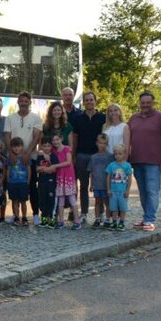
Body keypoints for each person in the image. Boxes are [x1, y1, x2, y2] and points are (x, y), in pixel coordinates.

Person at [128, 91, 161, 231]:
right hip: (136, 160)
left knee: (152, 190)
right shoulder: (133, 118)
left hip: (154, 161)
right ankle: (146, 216)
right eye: (143, 103)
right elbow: (127, 138)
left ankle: (150, 219)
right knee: (142, 191)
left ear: (153, 103)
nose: (145, 105)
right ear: (139, 103)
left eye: (148, 102)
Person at [4, 92, 43, 224]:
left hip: (29, 157)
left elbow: (37, 137)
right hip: (14, 159)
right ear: (18, 102)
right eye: (21, 101)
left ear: (30, 102)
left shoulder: (36, 118)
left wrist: (27, 153)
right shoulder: (10, 118)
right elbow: (7, 136)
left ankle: (35, 214)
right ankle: (15, 215)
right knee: (14, 187)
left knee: (31, 186)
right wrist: (11, 153)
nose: (23, 103)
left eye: (26, 101)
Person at [69, 91, 105, 226]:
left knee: (99, 186)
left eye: (91, 100)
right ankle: (84, 213)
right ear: (83, 102)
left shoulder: (102, 118)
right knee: (83, 186)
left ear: (95, 101)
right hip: (82, 155)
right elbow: (75, 138)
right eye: (87, 100)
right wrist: (73, 156)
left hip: (98, 156)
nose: (89, 102)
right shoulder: (78, 118)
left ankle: (99, 214)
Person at [50, 132, 78, 229]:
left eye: (57, 139)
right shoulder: (53, 150)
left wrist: (55, 166)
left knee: (72, 199)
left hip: (68, 177)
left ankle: (77, 221)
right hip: (60, 177)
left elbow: (68, 162)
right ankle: (61, 221)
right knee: (60, 200)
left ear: (61, 139)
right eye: (53, 140)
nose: (55, 142)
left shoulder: (66, 149)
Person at [106, 143, 134, 230]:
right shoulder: (111, 165)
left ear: (124, 154)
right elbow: (108, 178)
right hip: (113, 191)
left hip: (122, 191)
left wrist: (127, 190)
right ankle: (114, 222)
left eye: (120, 154)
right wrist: (109, 189)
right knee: (114, 208)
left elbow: (129, 179)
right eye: (116, 154)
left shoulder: (127, 166)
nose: (118, 156)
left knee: (122, 208)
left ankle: (121, 222)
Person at [88, 134, 112, 228]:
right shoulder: (93, 157)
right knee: (97, 202)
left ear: (107, 144)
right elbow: (91, 171)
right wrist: (91, 184)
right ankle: (97, 219)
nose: (102, 145)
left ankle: (107, 219)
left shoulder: (110, 157)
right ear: (96, 143)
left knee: (107, 202)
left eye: (104, 143)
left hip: (106, 185)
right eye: (100, 143)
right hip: (97, 184)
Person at [6, 137, 31, 225]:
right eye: (14, 147)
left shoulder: (25, 157)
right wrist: (8, 180)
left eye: (18, 146)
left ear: (22, 147)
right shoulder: (10, 157)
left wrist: (28, 180)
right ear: (11, 148)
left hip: (23, 182)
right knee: (14, 200)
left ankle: (24, 217)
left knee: (23, 201)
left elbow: (29, 169)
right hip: (13, 182)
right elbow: (8, 169)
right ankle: (16, 217)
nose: (16, 148)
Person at [35, 137, 58, 229]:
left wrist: (44, 169)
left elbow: (53, 169)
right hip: (41, 182)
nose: (47, 148)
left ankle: (52, 221)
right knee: (42, 201)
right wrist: (46, 169)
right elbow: (37, 169)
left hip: (51, 182)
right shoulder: (39, 157)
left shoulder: (53, 156)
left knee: (51, 201)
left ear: (51, 146)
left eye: (49, 146)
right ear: (41, 146)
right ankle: (44, 221)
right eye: (45, 146)